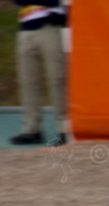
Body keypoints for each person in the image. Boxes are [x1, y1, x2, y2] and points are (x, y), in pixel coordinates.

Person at [10, 0, 68, 146]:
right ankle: (32, 130)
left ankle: (65, 129)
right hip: (26, 27)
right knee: (28, 81)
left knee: (58, 79)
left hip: (51, 27)